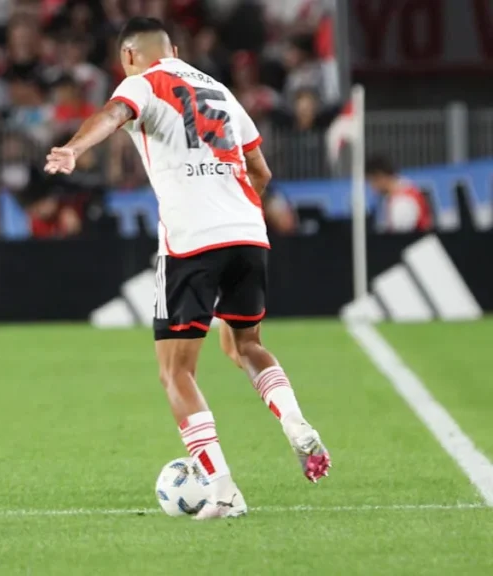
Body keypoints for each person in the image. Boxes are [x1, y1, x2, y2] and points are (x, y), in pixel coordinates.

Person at [44, 18, 330, 520]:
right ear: (175, 49)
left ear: (128, 56)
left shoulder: (144, 82)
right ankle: (294, 420)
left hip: (192, 240)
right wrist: (231, 208)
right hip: (248, 233)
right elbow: (261, 171)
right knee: (245, 345)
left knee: (176, 371)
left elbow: (113, 114)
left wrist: (73, 148)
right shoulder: (220, 90)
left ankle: (222, 490)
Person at [365, 154, 433, 233]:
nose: (371, 187)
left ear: (380, 176)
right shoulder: (394, 194)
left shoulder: (402, 201)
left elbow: (401, 236)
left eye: (371, 181)